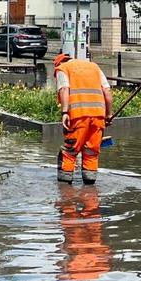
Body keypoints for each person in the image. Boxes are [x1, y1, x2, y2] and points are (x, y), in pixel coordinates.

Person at [54, 53, 113, 184]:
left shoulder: (62, 68)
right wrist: (108, 114)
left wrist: (64, 112)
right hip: (98, 116)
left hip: (77, 116)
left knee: (70, 151)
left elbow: (64, 89)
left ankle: (65, 193)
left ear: (58, 63)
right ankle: (91, 193)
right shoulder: (94, 67)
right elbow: (107, 92)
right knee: (91, 152)